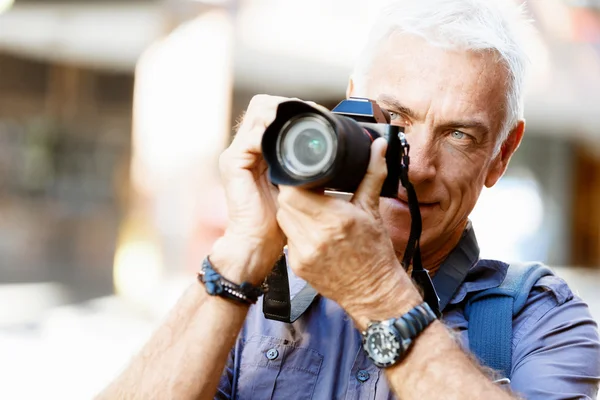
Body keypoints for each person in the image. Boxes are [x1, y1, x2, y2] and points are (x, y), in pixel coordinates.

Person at [97, 0, 600, 399]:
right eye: (396, 120)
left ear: (502, 154)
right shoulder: (249, 302)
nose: (417, 167)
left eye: (459, 136)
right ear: (351, 109)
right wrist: (244, 251)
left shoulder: (540, 322)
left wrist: (377, 292)